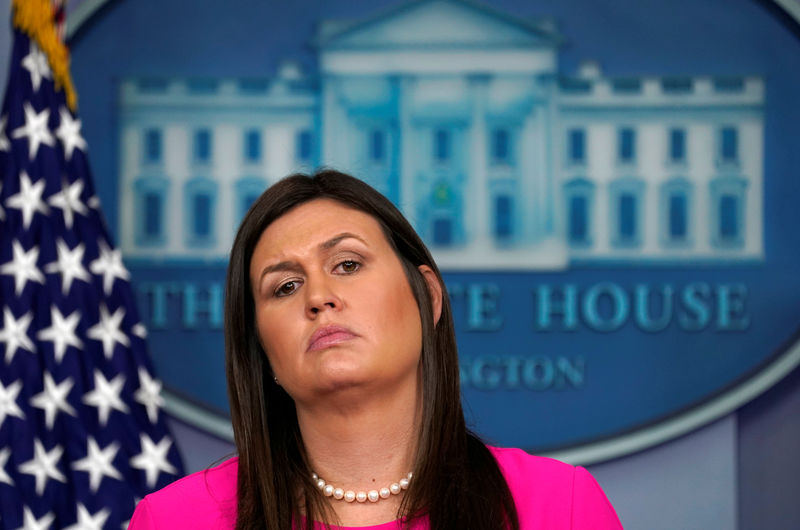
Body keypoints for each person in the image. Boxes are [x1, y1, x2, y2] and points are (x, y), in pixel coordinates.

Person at [129, 169, 623, 529]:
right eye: (284, 287)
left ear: (427, 297)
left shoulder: (559, 506)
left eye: (346, 264)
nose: (319, 296)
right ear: (259, 349)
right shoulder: (175, 519)